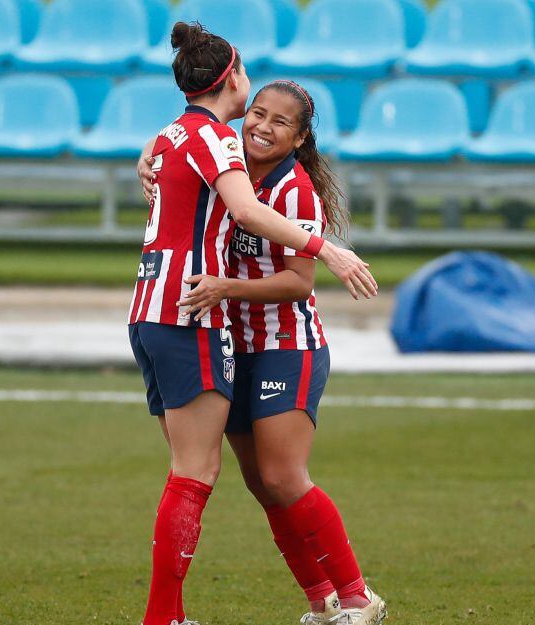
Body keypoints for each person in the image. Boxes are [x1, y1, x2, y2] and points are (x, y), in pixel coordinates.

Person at [127, 22, 378, 625]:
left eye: (279, 122)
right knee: (255, 483)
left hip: (283, 341)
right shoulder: (220, 151)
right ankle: (321, 603)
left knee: (282, 475)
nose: (262, 125)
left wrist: (308, 254)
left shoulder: (290, 189)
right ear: (235, 88)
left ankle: (354, 597)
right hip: (218, 332)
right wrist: (150, 154)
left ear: (300, 137)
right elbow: (201, 162)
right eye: (257, 112)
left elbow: (297, 283)